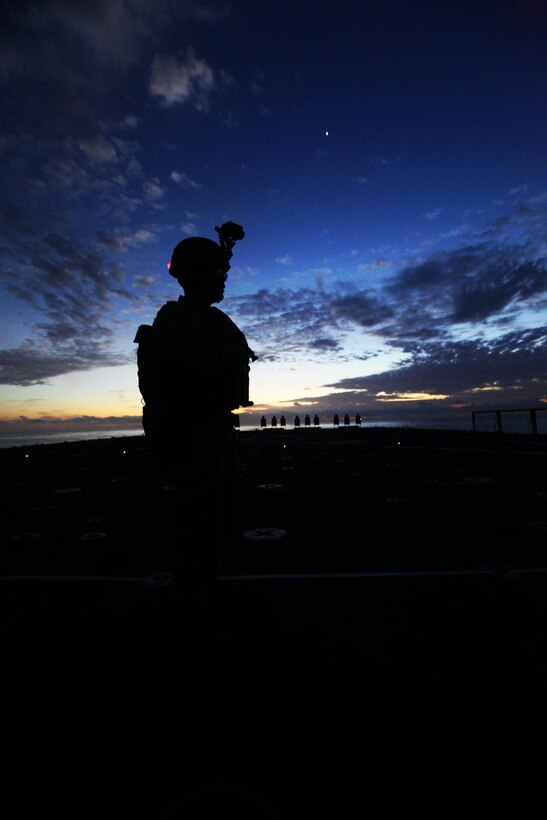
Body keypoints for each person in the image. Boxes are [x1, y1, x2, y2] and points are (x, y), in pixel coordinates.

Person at [134, 223, 256, 605]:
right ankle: (191, 601)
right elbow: (206, 361)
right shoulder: (175, 319)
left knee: (217, 524)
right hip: (192, 439)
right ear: (198, 274)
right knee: (196, 526)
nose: (223, 280)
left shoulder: (208, 318)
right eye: (217, 272)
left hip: (214, 435)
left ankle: (205, 587)